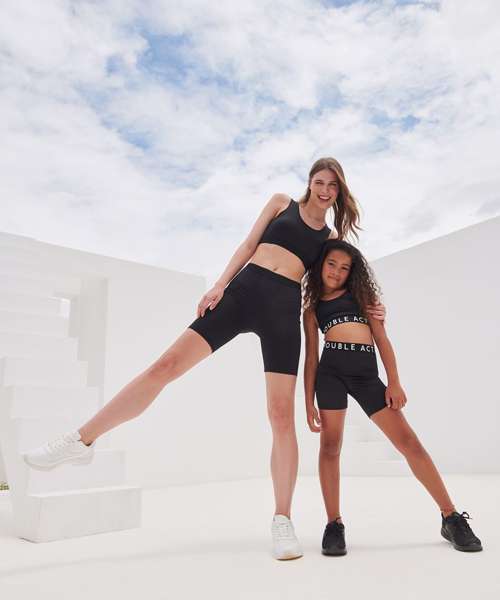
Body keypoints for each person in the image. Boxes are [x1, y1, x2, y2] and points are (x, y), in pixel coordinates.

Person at [23, 157, 386, 559]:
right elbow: (247, 246)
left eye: (332, 185)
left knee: (280, 416)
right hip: (242, 294)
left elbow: (336, 280)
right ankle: (80, 440)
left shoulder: (330, 237)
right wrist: (219, 285)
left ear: (339, 191)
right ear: (310, 182)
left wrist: (371, 307)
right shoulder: (281, 203)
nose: (325, 190)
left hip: (282, 312)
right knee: (165, 366)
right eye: (319, 181)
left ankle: (282, 520)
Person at [302, 239, 483, 555]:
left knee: (409, 443)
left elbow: (382, 339)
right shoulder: (313, 309)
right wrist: (307, 401)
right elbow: (311, 358)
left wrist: (394, 382)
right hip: (330, 376)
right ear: (321, 265)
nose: (336, 272)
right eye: (331, 264)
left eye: (344, 267)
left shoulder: (362, 297)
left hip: (366, 377)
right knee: (330, 447)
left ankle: (450, 516)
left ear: (352, 272)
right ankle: (334, 524)